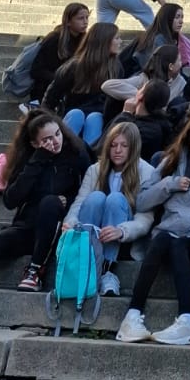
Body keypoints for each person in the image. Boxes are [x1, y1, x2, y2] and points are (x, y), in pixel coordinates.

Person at [0, 112, 89, 323]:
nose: (54, 141)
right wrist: (37, 162)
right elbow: (11, 200)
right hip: (27, 228)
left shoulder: (77, 153)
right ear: (34, 143)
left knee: (50, 202)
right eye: (46, 139)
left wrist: (65, 198)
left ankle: (36, 270)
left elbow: (89, 189)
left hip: (58, 231)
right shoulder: (29, 160)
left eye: (57, 134)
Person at [116, 113, 190, 346]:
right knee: (163, 239)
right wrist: (170, 185)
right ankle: (132, 314)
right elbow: (142, 201)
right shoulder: (172, 160)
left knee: (178, 244)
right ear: (188, 139)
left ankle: (187, 318)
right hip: (169, 230)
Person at [62, 121, 158, 296]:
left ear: (134, 147)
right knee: (96, 197)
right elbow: (80, 202)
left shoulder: (147, 172)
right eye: (113, 145)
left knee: (115, 199)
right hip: (94, 229)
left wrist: (122, 231)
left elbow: (145, 219)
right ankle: (87, 264)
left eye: (124, 145)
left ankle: (107, 270)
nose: (118, 150)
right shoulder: (95, 170)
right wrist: (70, 223)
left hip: (123, 239)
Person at [42, 21, 123, 148]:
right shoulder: (74, 66)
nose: (120, 42)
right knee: (76, 115)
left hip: (99, 117)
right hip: (73, 113)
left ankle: (88, 158)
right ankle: (63, 153)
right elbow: (52, 96)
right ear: (105, 41)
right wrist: (46, 122)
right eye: (117, 38)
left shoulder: (116, 66)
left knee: (94, 118)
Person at [107, 78, 180, 163]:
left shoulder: (151, 130)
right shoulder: (156, 122)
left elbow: (110, 143)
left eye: (141, 88)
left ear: (141, 96)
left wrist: (125, 113)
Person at [28, 3, 90, 103]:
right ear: (68, 21)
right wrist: (61, 81)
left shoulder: (85, 39)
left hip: (70, 90)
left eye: (87, 18)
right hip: (46, 91)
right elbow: (36, 70)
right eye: (80, 18)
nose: (85, 22)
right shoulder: (54, 39)